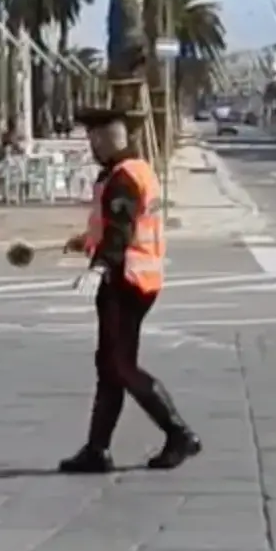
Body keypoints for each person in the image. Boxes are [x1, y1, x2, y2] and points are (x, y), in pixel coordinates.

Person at [55, 108, 201, 475]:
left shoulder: (122, 178)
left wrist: (101, 265)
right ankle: (97, 450)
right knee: (109, 366)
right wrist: (87, 241)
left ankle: (179, 433)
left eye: (93, 138)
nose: (90, 145)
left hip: (126, 280)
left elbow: (121, 230)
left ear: (107, 139)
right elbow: (119, 226)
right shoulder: (136, 170)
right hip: (137, 278)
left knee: (120, 365)